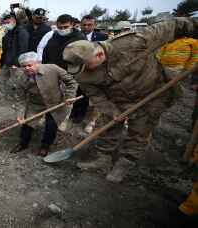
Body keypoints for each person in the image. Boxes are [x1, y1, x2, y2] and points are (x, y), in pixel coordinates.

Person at [62, 17, 198, 183]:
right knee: (107, 125)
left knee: (139, 131)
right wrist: (112, 111)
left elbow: (175, 25)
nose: (83, 72)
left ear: (98, 54)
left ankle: (125, 163)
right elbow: (96, 95)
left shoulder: (133, 43)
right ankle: (103, 159)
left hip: (152, 94)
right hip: (116, 99)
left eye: (85, 66)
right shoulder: (81, 72)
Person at [10, 52, 78, 156]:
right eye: (24, 66)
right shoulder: (21, 78)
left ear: (38, 63)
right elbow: (20, 98)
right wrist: (20, 115)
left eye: (30, 65)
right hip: (35, 103)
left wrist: (70, 96)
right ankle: (23, 144)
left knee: (51, 125)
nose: (27, 68)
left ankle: (45, 146)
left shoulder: (52, 68)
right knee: (27, 124)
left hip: (55, 102)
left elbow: (71, 82)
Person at [78, 15, 110, 132]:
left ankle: (92, 120)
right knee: (79, 93)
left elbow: (107, 53)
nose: (86, 27)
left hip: (97, 71)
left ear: (94, 25)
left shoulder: (103, 37)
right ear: (81, 25)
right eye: (84, 25)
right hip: (80, 71)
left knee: (97, 95)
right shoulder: (76, 36)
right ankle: (78, 114)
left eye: (89, 24)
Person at [0, 13, 29, 99]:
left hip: (17, 63)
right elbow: (5, 49)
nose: (6, 24)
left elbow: (23, 49)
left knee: (18, 82)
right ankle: (2, 96)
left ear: (14, 21)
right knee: (0, 79)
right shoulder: (8, 34)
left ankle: (18, 98)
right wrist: (1, 61)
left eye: (8, 22)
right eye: (5, 23)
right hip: (7, 62)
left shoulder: (22, 32)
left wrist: (17, 63)